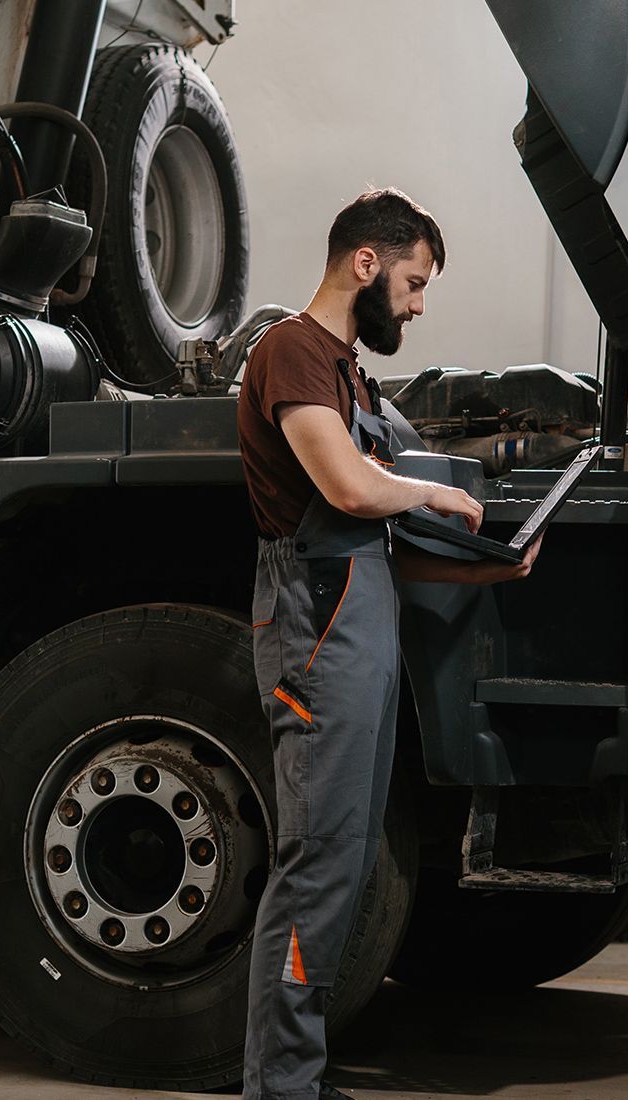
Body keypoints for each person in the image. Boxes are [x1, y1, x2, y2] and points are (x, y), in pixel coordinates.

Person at [236, 188, 540, 1100]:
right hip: (315, 641)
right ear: (365, 263)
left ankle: (298, 1073)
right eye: (412, 281)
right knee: (316, 866)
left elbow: (380, 547)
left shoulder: (351, 376)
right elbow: (346, 490)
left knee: (347, 859)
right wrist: (435, 494)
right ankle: (279, 1087)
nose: (416, 304)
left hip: (359, 637)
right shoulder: (291, 349)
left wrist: (487, 571)